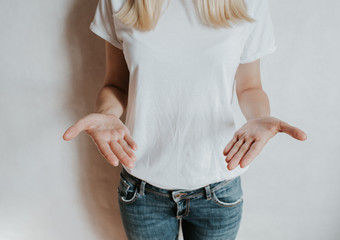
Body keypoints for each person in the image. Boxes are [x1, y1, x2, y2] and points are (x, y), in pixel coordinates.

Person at [63, 0, 307, 239]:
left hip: (218, 189)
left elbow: (250, 87)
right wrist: (107, 115)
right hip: (143, 189)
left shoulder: (248, 2)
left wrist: (260, 118)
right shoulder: (119, 2)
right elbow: (116, 84)